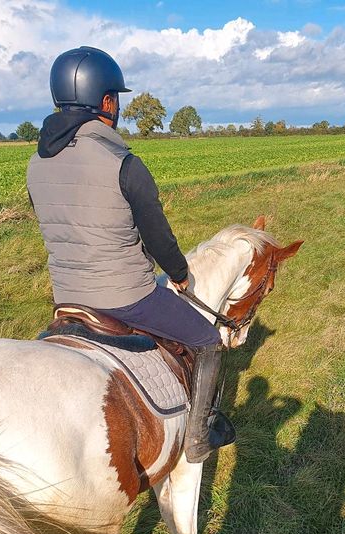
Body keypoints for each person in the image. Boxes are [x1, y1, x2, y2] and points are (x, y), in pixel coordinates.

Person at [26, 46, 226, 463]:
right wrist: (179, 273)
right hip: (126, 295)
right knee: (209, 341)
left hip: (67, 296)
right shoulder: (123, 162)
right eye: (115, 97)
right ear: (105, 102)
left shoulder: (35, 164)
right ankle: (198, 437)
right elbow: (157, 235)